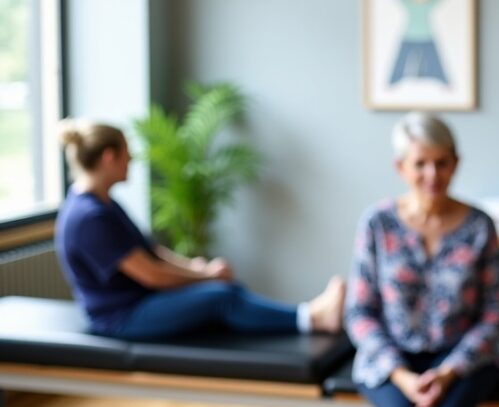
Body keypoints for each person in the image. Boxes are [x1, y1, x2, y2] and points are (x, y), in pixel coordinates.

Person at [55, 120, 345, 340]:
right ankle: (313, 318)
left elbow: (152, 252)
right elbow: (152, 275)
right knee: (222, 297)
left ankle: (310, 315)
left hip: (139, 302)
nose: (131, 160)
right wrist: (204, 276)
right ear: (109, 157)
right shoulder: (89, 218)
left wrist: (195, 266)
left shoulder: (103, 205)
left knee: (226, 290)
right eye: (127, 153)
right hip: (122, 317)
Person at [345, 112, 499, 407]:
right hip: (391, 360)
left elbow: (495, 314)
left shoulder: (480, 226)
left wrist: (448, 372)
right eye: (421, 164)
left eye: (442, 163)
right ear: (401, 166)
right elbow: (359, 313)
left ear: (456, 163)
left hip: (463, 359)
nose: (432, 175)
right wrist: (402, 376)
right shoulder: (377, 224)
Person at [388, 0, 449, 86]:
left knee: (434, 60)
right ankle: (393, 80)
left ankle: (441, 79)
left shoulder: (430, 2)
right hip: (409, 35)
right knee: (401, 60)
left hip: (427, 35)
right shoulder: (408, 2)